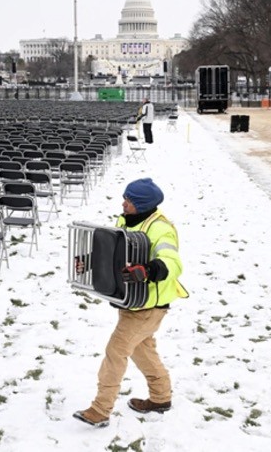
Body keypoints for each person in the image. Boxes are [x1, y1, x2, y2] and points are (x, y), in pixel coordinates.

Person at [74, 178, 189, 428]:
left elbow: (173, 261)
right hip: (131, 302)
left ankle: (100, 409)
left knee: (116, 352)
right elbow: (115, 253)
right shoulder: (124, 221)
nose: (124, 203)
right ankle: (161, 398)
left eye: (130, 200)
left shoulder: (161, 229)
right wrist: (89, 261)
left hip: (148, 306)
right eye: (125, 198)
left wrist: (147, 270)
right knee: (142, 349)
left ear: (143, 204)